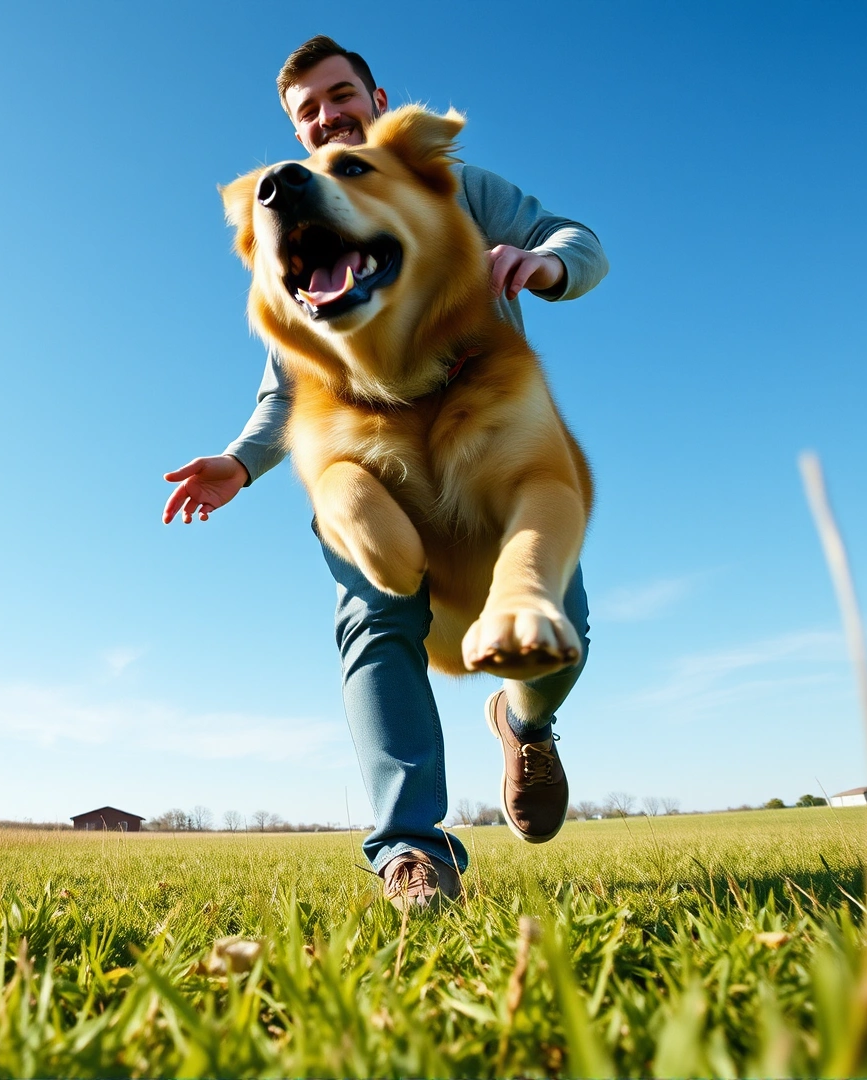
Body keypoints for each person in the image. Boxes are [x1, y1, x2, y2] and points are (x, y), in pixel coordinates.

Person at [162, 36, 608, 911]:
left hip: (483, 421)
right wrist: (241, 464)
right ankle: (412, 850)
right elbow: (285, 381)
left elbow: (574, 238)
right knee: (374, 615)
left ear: (374, 95)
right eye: (307, 111)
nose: (327, 116)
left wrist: (545, 264)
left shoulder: (450, 183)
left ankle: (528, 723)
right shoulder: (290, 217)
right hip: (361, 445)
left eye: (339, 95)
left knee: (564, 631)